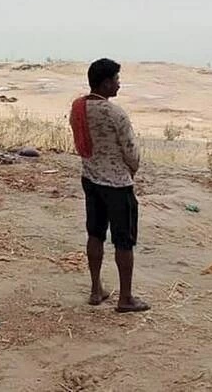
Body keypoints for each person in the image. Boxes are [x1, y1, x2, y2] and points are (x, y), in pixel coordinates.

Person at [69, 58, 149, 313]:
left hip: (90, 179)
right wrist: (131, 171)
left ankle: (96, 290)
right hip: (117, 185)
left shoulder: (79, 108)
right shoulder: (115, 113)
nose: (118, 84)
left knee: (95, 233)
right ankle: (125, 298)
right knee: (124, 241)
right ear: (105, 83)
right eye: (116, 79)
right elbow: (131, 152)